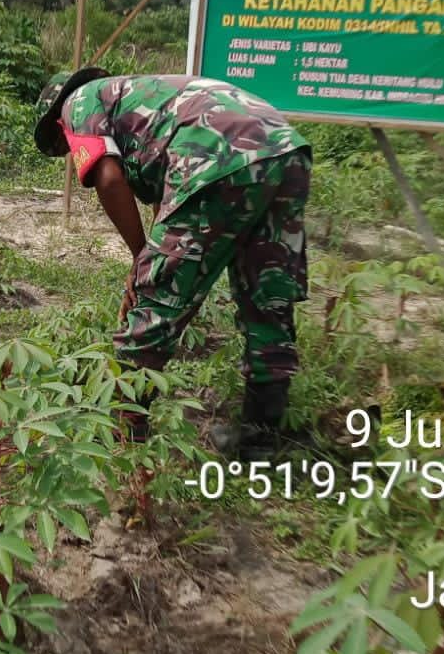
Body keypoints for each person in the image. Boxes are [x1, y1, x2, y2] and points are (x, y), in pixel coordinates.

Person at [33, 69, 312, 454]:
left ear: (57, 125)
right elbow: (162, 201)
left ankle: (124, 435)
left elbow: (109, 179)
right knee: (267, 294)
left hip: (216, 157)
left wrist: (141, 261)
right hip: (285, 149)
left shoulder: (78, 102)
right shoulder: (140, 97)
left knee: (155, 302)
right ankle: (261, 435)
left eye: (63, 144)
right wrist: (150, 255)